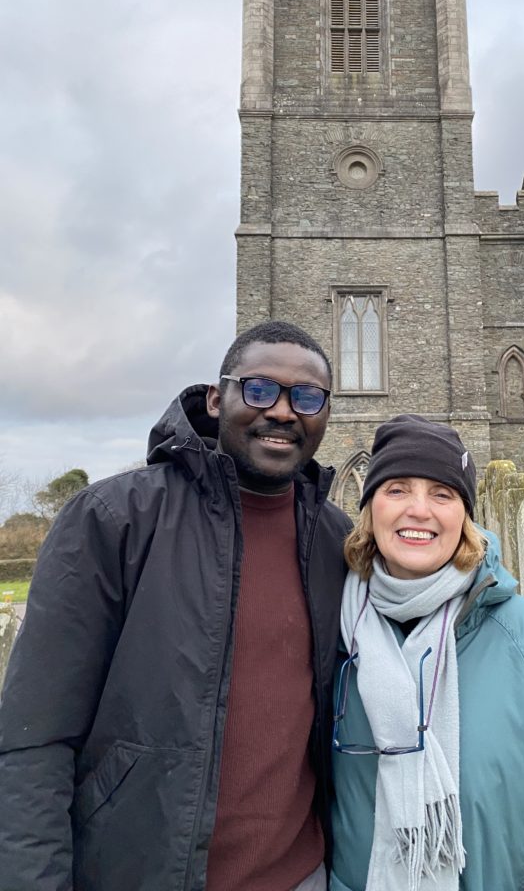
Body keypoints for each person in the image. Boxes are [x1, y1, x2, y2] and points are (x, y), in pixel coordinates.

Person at [0, 320, 351, 891]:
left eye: (308, 397)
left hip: (303, 876)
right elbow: (35, 738)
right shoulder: (113, 519)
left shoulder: (338, 540)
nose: (284, 412)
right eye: (260, 389)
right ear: (217, 399)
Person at [330, 415, 524, 891]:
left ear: (465, 516)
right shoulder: (333, 628)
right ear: (369, 508)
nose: (419, 509)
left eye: (442, 493)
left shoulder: (523, 631)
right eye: (397, 489)